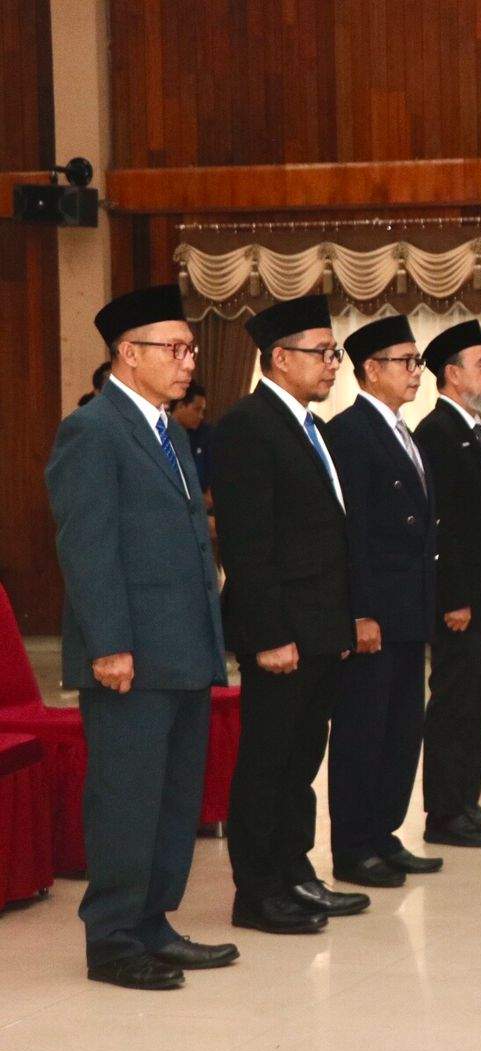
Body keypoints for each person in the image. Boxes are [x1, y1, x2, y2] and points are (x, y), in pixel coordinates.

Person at [45, 284, 236, 990]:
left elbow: (189, 544)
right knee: (126, 797)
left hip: (184, 648)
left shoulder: (172, 431)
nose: (188, 363)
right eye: (175, 349)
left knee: (173, 798)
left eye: (189, 349)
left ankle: (154, 921)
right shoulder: (93, 431)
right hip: (131, 654)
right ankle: (114, 940)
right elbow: (87, 547)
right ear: (129, 355)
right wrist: (109, 645)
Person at [211, 294, 368, 933]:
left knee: (303, 759)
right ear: (280, 358)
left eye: (334, 352)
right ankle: (257, 892)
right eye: (322, 353)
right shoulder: (248, 426)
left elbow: (331, 533)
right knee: (268, 761)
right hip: (281, 632)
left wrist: (345, 620)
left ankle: (295, 869)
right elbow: (249, 545)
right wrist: (271, 635)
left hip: (321, 627)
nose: (334, 364)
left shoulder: (314, 427)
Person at [323, 315, 443, 888]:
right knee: (363, 729)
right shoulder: (349, 433)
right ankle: (353, 846)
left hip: (409, 608)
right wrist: (361, 611)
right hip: (376, 612)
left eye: (417, 361)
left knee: (401, 728)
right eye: (407, 362)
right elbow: (355, 534)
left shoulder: (402, 430)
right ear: (371, 370)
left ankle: (383, 833)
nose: (417, 372)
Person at [412, 320, 481, 847]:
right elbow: (441, 524)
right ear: (453, 375)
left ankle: (467, 802)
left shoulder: (476, 429)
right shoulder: (436, 433)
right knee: (455, 702)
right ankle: (443, 814)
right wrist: (452, 596)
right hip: (461, 600)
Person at [170, 382, 213, 494]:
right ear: (180, 406)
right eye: (197, 409)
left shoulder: (204, 433)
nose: (201, 416)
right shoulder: (161, 432)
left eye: (203, 411)